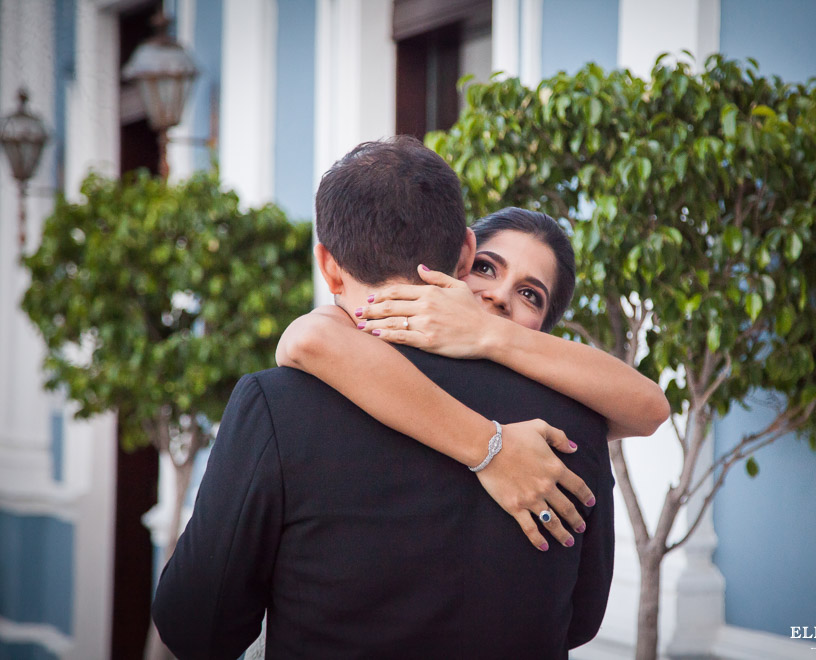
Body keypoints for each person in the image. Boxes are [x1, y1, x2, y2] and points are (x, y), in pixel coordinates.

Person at [152, 137, 618, 659]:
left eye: (531, 294)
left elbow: (197, 625)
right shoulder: (578, 421)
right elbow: (579, 619)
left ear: (327, 266)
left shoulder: (276, 406)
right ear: (466, 256)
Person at [275, 207, 671, 548]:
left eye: (530, 294)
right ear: (459, 263)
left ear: (542, 328)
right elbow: (308, 338)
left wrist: (488, 334)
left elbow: (650, 409)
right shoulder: (374, 337)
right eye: (486, 268)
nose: (499, 295)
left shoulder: (553, 407)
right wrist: (491, 450)